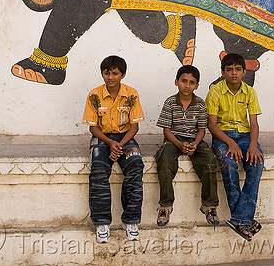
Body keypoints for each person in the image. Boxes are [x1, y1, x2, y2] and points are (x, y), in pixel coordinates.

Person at [82, 55, 145, 243]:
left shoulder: (132, 94)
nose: (110, 77)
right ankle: (102, 223)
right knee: (99, 171)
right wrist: (110, 144)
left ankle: (131, 222)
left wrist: (121, 144)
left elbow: (134, 126)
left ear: (122, 75)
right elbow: (92, 127)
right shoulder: (94, 95)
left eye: (115, 73)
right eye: (106, 73)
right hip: (102, 139)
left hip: (126, 138)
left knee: (135, 166)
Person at [206, 53, 264, 242]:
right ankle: (243, 218)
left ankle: (240, 219)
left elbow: (253, 123)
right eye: (229, 69)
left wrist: (253, 145)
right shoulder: (215, 92)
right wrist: (230, 142)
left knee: (256, 164)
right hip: (223, 136)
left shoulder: (249, 91)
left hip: (245, 136)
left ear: (244, 72)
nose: (234, 73)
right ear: (222, 72)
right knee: (229, 163)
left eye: (238, 69)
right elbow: (212, 126)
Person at [155, 65, 219, 226]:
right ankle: (165, 205)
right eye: (184, 81)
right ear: (176, 82)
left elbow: (202, 130)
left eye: (192, 82)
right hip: (173, 139)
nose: (187, 85)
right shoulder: (170, 102)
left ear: (197, 86)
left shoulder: (199, 104)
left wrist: (195, 144)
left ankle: (209, 205)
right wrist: (179, 144)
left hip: (194, 139)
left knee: (210, 160)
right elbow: (167, 131)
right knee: (164, 160)